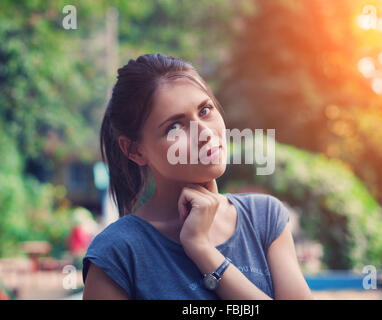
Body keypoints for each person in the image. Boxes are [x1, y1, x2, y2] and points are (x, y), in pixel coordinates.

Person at [82, 53, 313, 300]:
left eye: (205, 110)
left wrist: (203, 251)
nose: (204, 133)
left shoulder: (264, 218)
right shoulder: (118, 254)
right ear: (135, 150)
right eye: (174, 126)